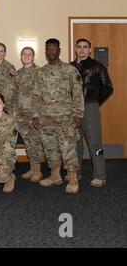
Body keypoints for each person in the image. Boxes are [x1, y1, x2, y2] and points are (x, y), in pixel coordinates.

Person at [33, 38, 84, 194]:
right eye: (49, 49)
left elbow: (77, 93)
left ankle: (73, 178)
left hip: (65, 119)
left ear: (59, 51)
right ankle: (55, 176)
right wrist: (35, 115)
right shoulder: (41, 72)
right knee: (50, 149)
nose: (51, 52)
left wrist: (78, 114)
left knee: (68, 149)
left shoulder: (70, 70)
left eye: (54, 49)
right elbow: (36, 95)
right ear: (45, 51)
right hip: (46, 119)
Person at [70, 38, 113, 187]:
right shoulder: (69, 67)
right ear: (75, 49)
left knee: (95, 143)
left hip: (90, 107)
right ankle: (76, 172)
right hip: (73, 110)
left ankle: (100, 175)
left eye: (85, 47)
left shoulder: (98, 66)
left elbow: (108, 88)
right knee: (75, 143)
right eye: (79, 47)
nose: (81, 49)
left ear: (89, 50)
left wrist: (95, 102)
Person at [15, 47, 44, 182]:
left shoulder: (39, 72)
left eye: (29, 54)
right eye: (24, 54)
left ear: (33, 56)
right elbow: (15, 94)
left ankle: (37, 170)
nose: (26, 56)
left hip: (34, 115)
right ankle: (32, 168)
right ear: (21, 57)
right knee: (28, 143)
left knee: (35, 143)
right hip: (21, 115)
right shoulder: (18, 73)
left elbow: (43, 95)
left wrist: (38, 114)